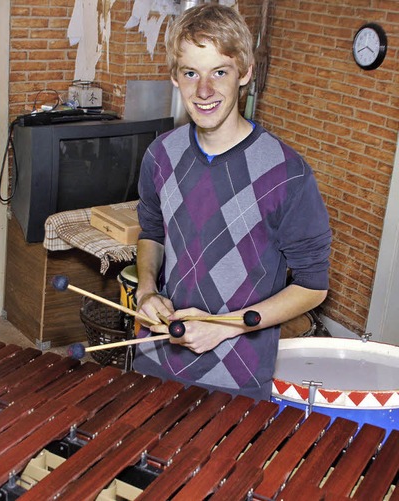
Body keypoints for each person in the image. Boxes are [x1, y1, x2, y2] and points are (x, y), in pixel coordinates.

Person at [133, 4, 332, 401]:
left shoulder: (287, 173)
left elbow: (313, 287)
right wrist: (146, 288)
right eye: (191, 73)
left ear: (244, 73)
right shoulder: (160, 154)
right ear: (175, 77)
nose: (203, 91)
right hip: (155, 357)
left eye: (219, 72)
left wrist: (226, 326)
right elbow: (151, 233)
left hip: (236, 377)